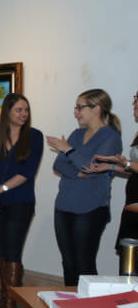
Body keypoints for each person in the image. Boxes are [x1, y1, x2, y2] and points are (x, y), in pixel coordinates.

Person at [47, 88, 122, 286]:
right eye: (76, 107)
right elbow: (59, 165)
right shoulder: (76, 134)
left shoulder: (110, 137)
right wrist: (79, 172)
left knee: (84, 265)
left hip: (91, 209)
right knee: (68, 264)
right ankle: (70, 304)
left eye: (80, 107)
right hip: (63, 206)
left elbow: (93, 167)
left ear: (97, 108)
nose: (76, 112)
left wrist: (69, 151)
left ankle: (89, 305)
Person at [0, 93, 43, 308]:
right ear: (7, 112)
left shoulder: (34, 136)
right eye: (18, 110)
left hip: (20, 202)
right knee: (2, 249)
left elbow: (27, 172)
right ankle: (4, 296)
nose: (23, 114)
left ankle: (11, 304)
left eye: (26, 110)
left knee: (14, 251)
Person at [90, 90, 138, 250]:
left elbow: (132, 165)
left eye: (137, 98)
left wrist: (126, 162)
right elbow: (134, 170)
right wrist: (111, 166)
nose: (134, 103)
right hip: (132, 204)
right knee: (128, 255)